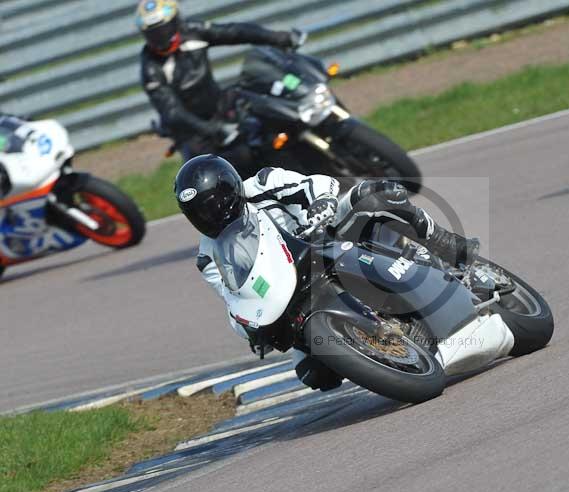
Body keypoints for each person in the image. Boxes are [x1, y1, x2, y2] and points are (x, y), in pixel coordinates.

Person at [174, 155, 479, 390]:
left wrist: (321, 203)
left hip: (332, 238)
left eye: (215, 204)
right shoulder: (209, 257)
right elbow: (236, 296)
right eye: (199, 212)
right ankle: (391, 345)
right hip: (295, 293)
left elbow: (319, 184)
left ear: (232, 189)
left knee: (373, 195)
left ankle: (444, 244)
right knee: (315, 374)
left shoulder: (265, 184)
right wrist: (250, 328)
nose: (210, 215)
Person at [136, 0, 306, 170]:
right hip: (192, 130)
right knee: (211, 171)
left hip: (219, 106)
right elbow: (173, 112)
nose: (159, 37)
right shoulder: (151, 69)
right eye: (152, 33)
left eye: (162, 29)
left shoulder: (193, 31)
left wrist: (277, 37)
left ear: (175, 21)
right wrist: (212, 129)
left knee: (266, 121)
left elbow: (235, 32)